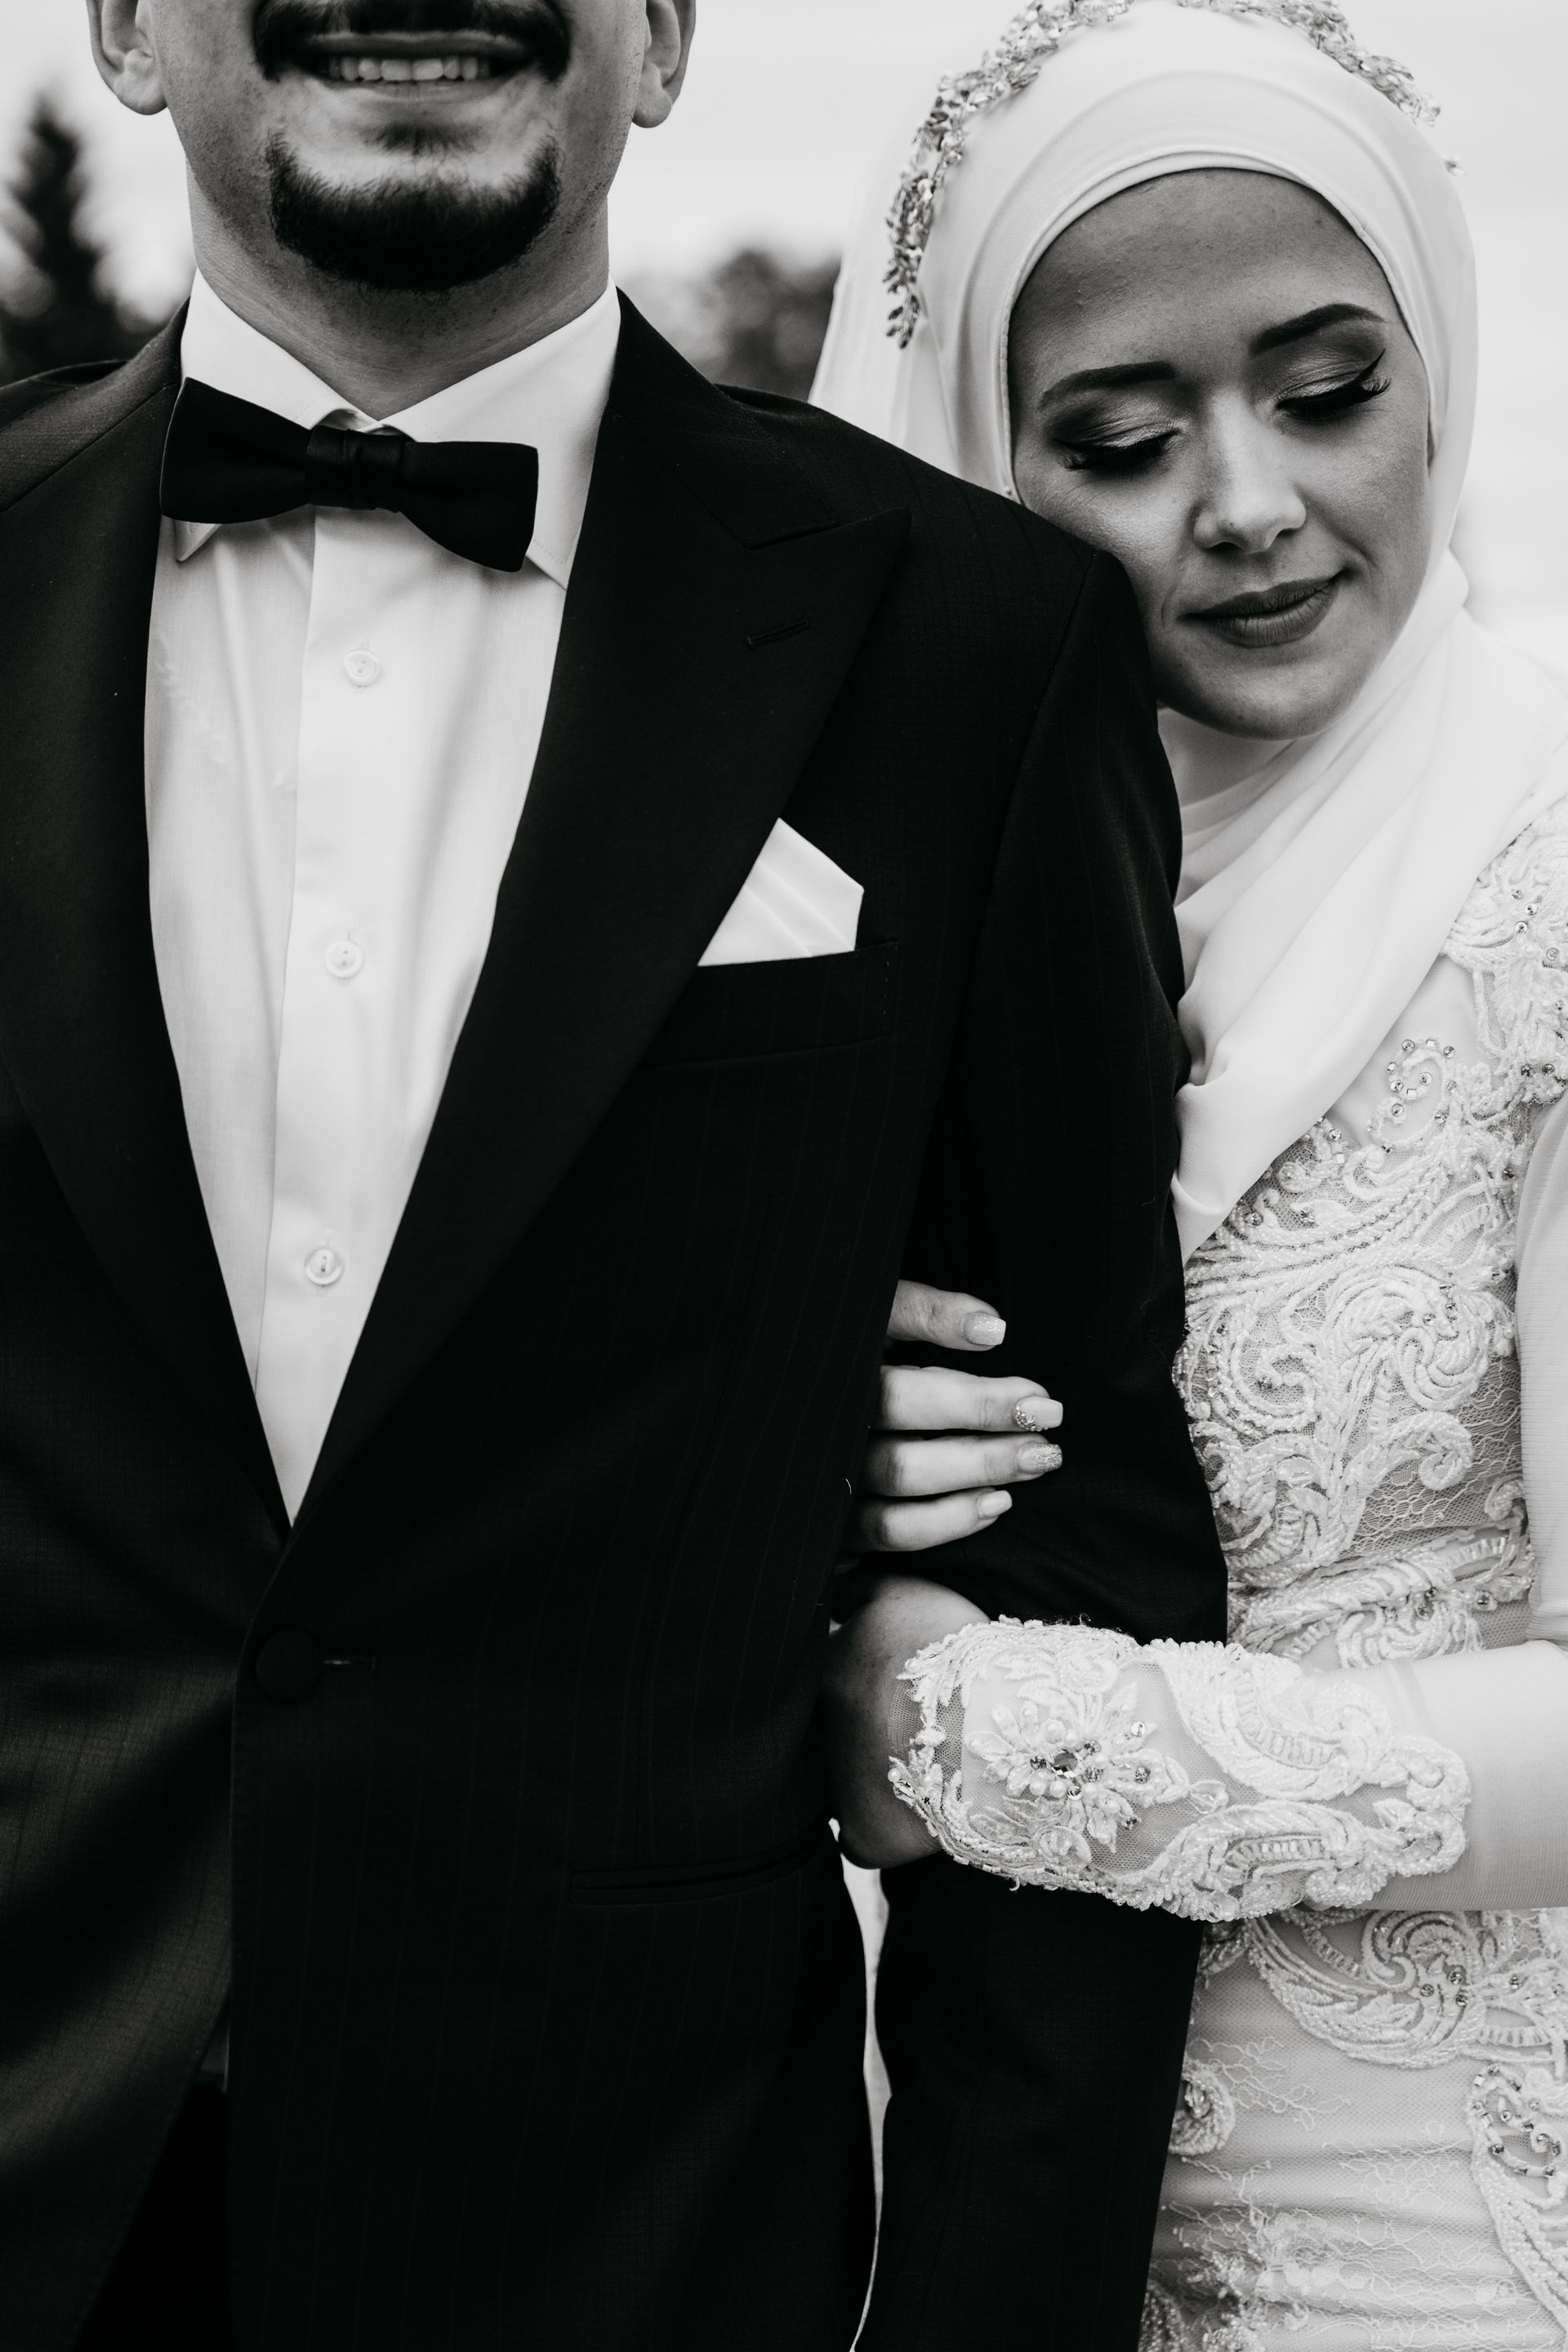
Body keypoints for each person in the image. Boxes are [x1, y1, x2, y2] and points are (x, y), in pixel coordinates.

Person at [0, 1, 1227, 2345]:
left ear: (662, 36)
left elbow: (1092, 1538)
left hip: (644, 2252)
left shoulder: (975, 645)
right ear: (124, 29)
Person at [814, 1, 1568, 2344]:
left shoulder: (1544, 876)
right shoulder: (886, 927)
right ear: (976, 471)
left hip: (1459, 2245)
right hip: (983, 2216)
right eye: (1125, 441)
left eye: (1327, 391)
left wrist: (945, 1728)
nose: (1245, 500)